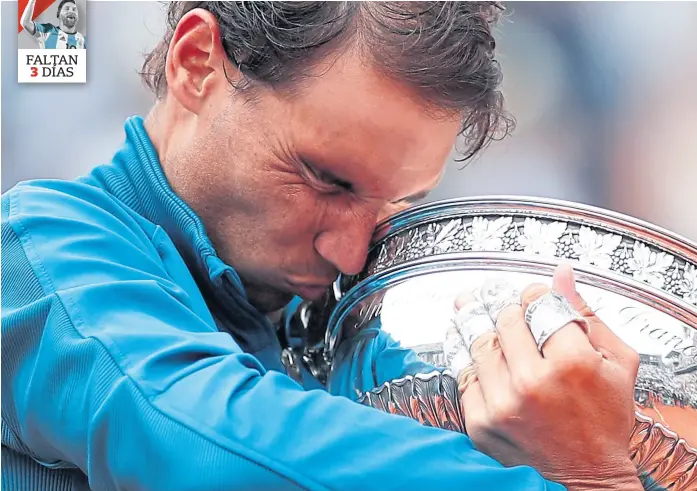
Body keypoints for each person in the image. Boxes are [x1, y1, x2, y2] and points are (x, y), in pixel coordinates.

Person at [1, 2, 644, 491]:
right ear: (197, 63)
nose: (351, 251)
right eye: (326, 180)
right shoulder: (42, 249)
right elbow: (204, 446)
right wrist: (586, 476)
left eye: (398, 203)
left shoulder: (335, 321)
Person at [20, 0, 86, 49]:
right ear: (58, 14)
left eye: (74, 9)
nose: (71, 11)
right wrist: (32, 1)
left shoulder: (84, 41)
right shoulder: (48, 31)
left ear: (78, 17)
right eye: (67, 9)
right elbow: (25, 23)